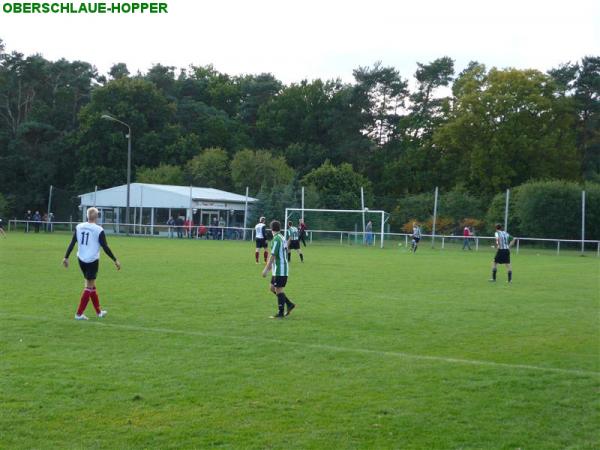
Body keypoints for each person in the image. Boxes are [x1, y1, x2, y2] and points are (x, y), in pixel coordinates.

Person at [62, 207, 121, 320]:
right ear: (97, 217)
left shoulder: (79, 226)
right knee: (89, 286)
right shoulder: (98, 229)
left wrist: (66, 257)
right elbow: (105, 247)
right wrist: (115, 260)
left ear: (87, 216)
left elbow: (72, 242)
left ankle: (99, 312)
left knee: (91, 285)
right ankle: (79, 314)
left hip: (81, 259)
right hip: (92, 260)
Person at [261, 220, 296, 319]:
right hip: (278, 269)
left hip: (281, 269)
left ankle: (280, 313)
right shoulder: (282, 237)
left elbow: (272, 256)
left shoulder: (276, 239)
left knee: (278, 289)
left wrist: (266, 270)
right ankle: (289, 304)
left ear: (271, 229)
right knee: (272, 288)